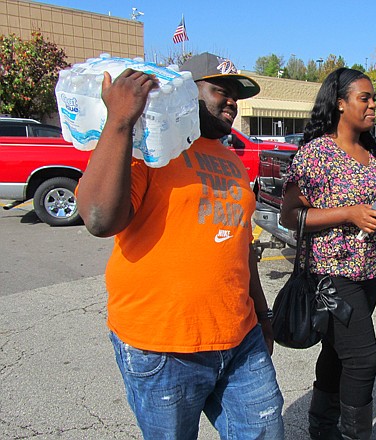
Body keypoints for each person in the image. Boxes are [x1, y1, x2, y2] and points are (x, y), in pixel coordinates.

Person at [76, 52, 284, 439]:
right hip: (161, 345)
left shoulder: (232, 160)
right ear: (185, 92)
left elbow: (239, 242)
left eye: (237, 97)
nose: (232, 103)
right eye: (220, 91)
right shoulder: (149, 149)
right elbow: (99, 218)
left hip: (240, 339)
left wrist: (261, 313)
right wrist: (120, 120)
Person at [280, 67, 376, 440]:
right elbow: (291, 216)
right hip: (332, 276)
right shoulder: (317, 154)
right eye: (365, 98)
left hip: (369, 275)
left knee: (337, 354)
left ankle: (321, 428)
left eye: (373, 98)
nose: (373, 105)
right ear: (340, 103)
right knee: (363, 359)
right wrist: (347, 213)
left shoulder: (374, 158)